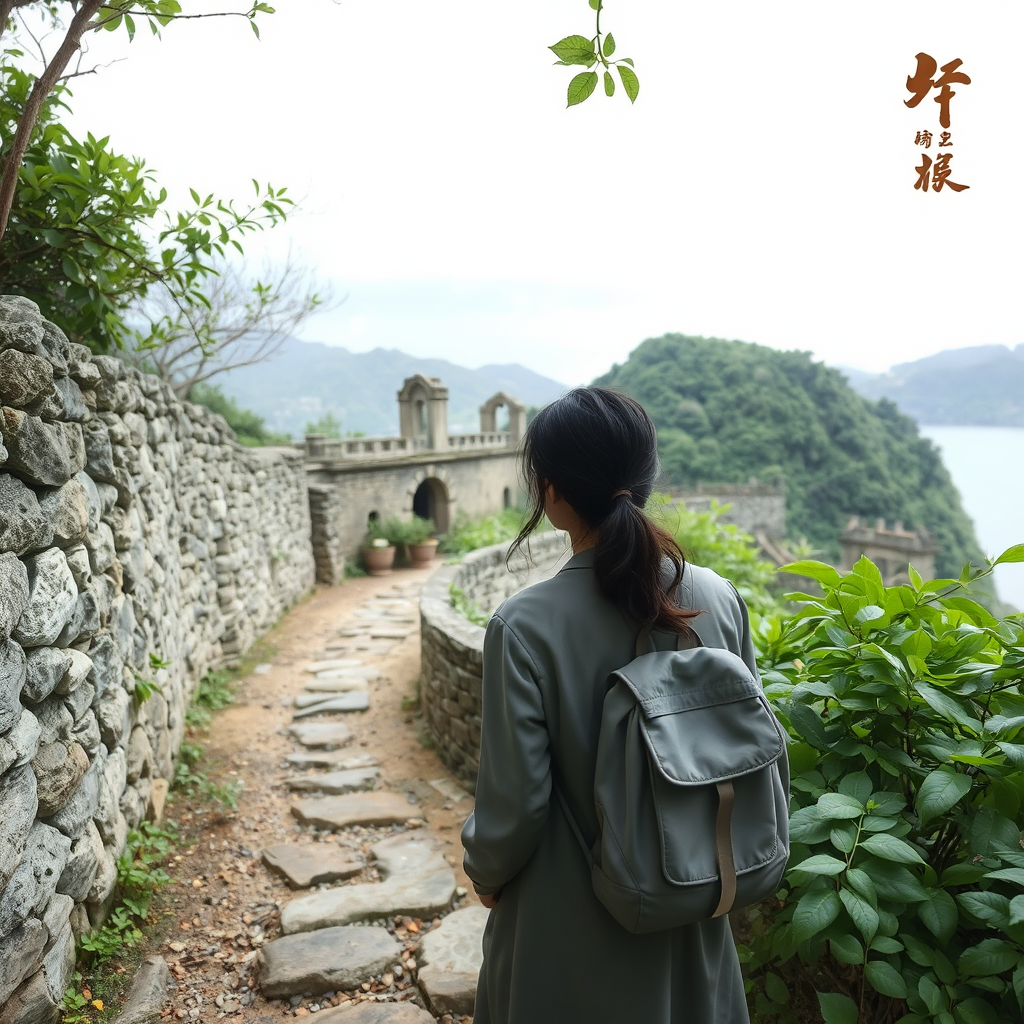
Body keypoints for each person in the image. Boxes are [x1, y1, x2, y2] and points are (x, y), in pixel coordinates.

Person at [461, 386, 756, 1024]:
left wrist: (485, 871)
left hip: (563, 932)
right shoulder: (721, 599)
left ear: (551, 490)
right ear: (645, 478)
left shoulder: (523, 626)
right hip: (690, 904)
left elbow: (514, 806)